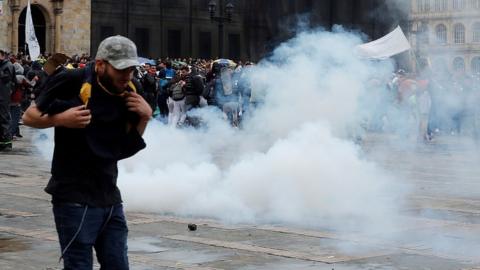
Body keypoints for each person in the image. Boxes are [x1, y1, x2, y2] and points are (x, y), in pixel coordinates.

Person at [22, 35, 152, 269]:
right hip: (73, 197)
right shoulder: (71, 80)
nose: (127, 76)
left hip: (109, 195)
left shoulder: (132, 89)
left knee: (118, 265)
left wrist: (145, 117)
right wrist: (62, 119)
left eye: (131, 69)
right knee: (79, 266)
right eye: (121, 69)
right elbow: (29, 116)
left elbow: (124, 147)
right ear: (101, 65)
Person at [0, 50, 16, 151]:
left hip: (3, 96)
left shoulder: (8, 65)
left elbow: (7, 79)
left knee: (4, 118)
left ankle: (6, 143)